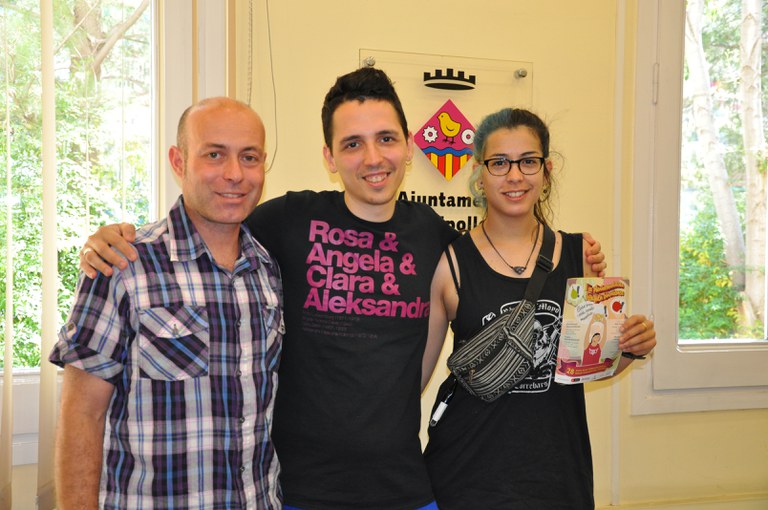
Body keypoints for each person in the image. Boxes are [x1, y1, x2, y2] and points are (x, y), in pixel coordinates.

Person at [76, 68, 607, 509]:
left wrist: (573, 256)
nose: (372, 158)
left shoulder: (434, 236)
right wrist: (116, 238)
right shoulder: (286, 221)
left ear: (407, 147)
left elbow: (502, 257)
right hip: (298, 491)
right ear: (330, 157)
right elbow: (209, 219)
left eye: (386, 139)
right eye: (352, 144)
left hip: (406, 487)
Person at [50, 97, 284, 509]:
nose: (235, 174)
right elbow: (81, 416)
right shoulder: (123, 265)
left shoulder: (268, 270)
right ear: (179, 162)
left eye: (249, 157)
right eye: (214, 155)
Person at [421, 107, 656, 509]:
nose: (515, 175)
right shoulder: (450, 264)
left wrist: (632, 348)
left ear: (546, 171)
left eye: (528, 161)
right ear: (479, 174)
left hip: (556, 475)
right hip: (466, 477)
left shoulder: (580, 255)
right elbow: (414, 377)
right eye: (499, 163)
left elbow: (585, 366)